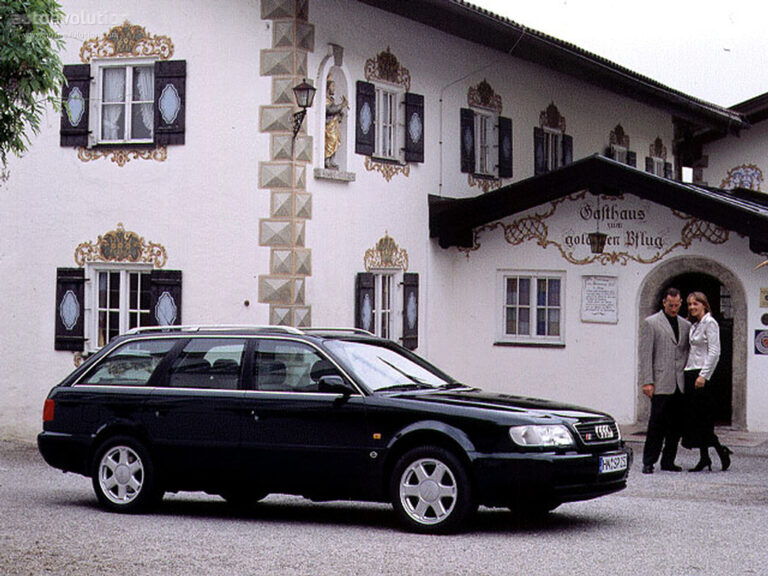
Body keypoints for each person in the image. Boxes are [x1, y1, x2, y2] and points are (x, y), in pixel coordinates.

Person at [639, 287, 691, 474]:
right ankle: (649, 461)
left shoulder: (686, 325)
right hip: (660, 381)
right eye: (671, 305)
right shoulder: (651, 323)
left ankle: (668, 461)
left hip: (679, 382)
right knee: (656, 425)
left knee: (676, 426)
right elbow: (646, 355)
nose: (674, 309)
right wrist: (647, 381)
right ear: (664, 302)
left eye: (677, 305)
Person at [683, 291, 732, 472]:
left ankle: (720, 450)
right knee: (696, 419)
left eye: (696, 304)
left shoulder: (710, 323)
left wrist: (703, 375)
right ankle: (705, 458)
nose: (692, 307)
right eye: (689, 304)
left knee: (703, 419)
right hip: (691, 372)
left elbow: (715, 352)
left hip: (702, 375)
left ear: (704, 304)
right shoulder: (694, 325)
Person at [324, 77, 348, 170]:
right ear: (328, 87)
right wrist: (342, 105)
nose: (334, 88)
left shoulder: (331, 99)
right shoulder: (326, 99)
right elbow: (330, 110)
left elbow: (335, 110)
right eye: (332, 86)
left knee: (336, 140)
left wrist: (340, 113)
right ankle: (326, 160)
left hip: (334, 124)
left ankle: (331, 160)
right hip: (329, 125)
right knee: (331, 140)